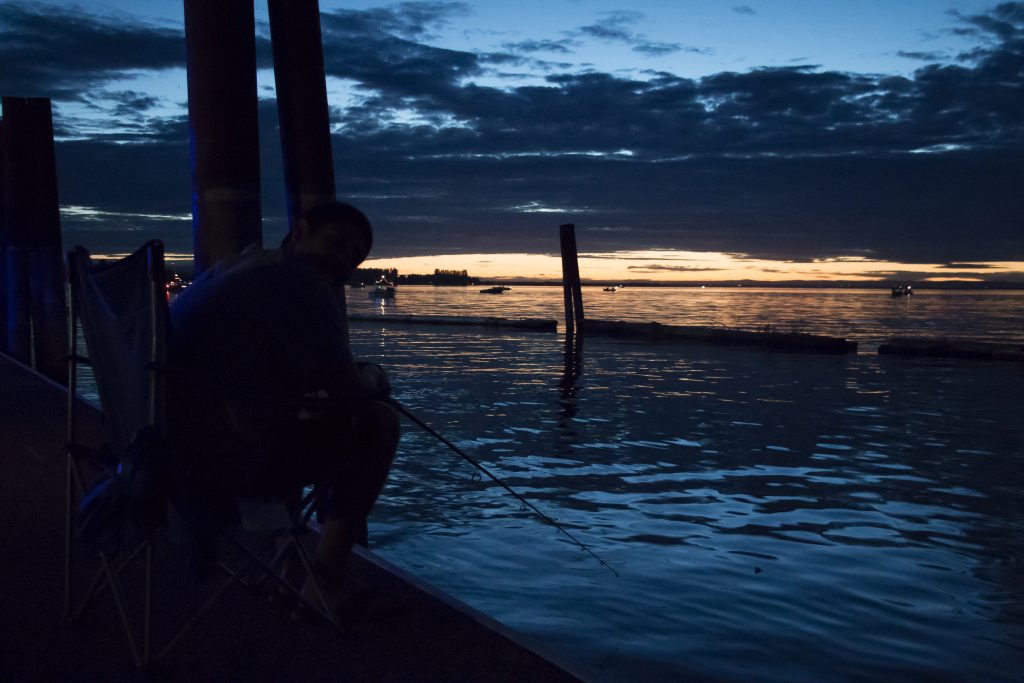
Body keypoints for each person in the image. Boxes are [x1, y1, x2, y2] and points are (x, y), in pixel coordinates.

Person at [168, 201, 399, 611]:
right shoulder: (299, 280)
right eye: (337, 243)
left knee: (298, 416)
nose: (344, 261)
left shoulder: (238, 269)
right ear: (300, 231)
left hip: (159, 447)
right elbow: (348, 389)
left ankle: (290, 567)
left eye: (354, 256)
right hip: (215, 463)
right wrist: (374, 377)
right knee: (377, 423)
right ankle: (325, 581)